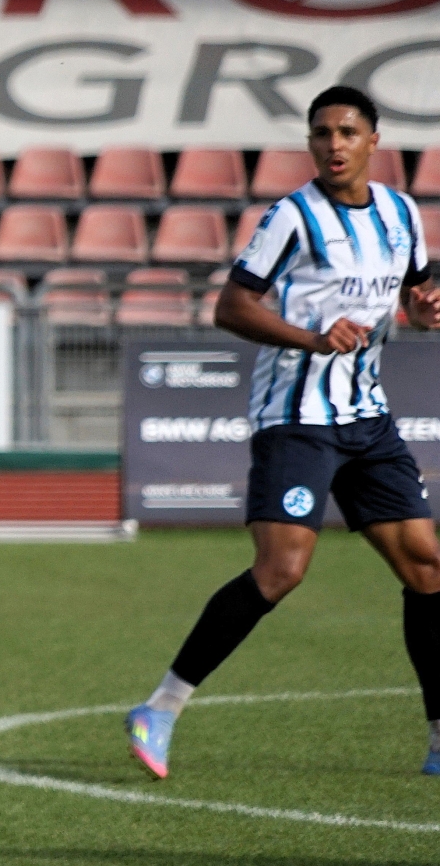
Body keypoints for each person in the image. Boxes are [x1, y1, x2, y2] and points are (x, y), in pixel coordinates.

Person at [127, 86, 440, 779]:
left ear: (373, 140)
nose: (333, 144)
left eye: (347, 132)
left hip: (366, 415)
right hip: (295, 416)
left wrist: (422, 310)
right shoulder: (292, 217)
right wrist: (312, 338)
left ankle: (439, 736)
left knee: (427, 566)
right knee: (281, 570)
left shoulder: (401, 213)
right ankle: (160, 708)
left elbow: (414, 294)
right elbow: (231, 307)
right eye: (321, 133)